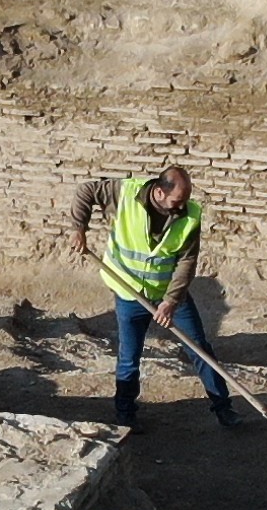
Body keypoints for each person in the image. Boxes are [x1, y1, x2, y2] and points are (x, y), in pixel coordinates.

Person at [95, 164, 236, 431]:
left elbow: (187, 261)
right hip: (130, 295)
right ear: (159, 193)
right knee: (129, 356)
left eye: (186, 199)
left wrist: (170, 301)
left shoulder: (190, 214)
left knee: (199, 348)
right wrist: (77, 228)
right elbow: (85, 191)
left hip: (171, 295)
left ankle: (223, 408)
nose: (182, 206)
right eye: (177, 200)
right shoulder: (125, 194)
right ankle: (125, 414)